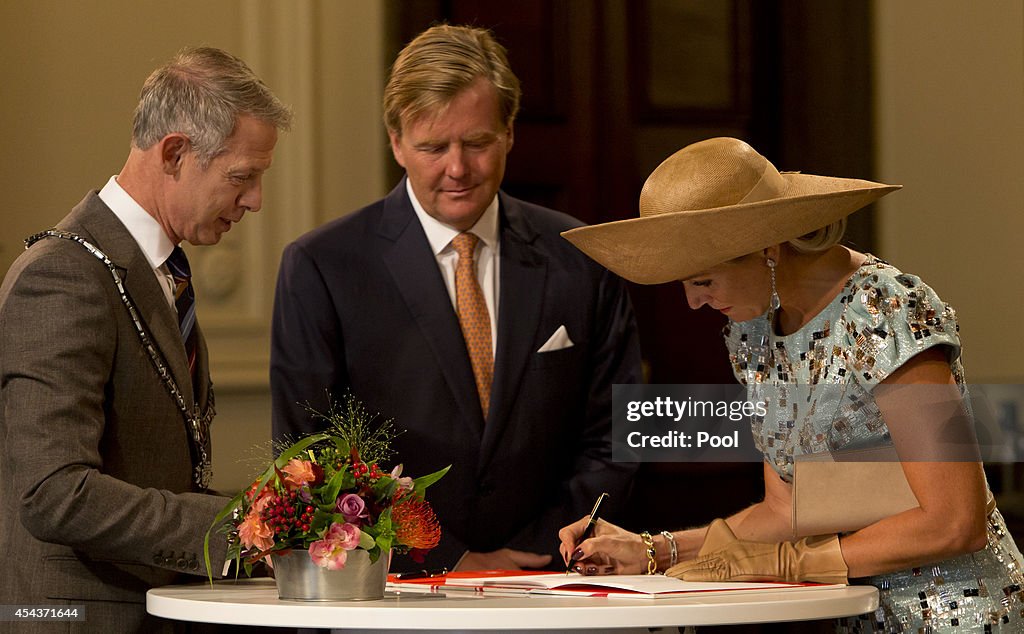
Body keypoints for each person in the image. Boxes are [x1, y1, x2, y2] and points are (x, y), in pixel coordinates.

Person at [557, 137, 1024, 631]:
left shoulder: (884, 309)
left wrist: (784, 565)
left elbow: (956, 520)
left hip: (963, 614)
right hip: (858, 613)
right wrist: (656, 548)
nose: (693, 303)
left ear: (767, 249)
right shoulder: (754, 332)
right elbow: (786, 511)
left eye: (703, 280)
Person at [270, 24, 641, 572]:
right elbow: (311, 454)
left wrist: (543, 550)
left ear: (509, 131)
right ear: (396, 142)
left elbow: (619, 431)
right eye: (433, 147)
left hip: (554, 588)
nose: (457, 168)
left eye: (477, 142)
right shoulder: (323, 267)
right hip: (392, 594)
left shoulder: (583, 260)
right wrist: (443, 559)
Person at [0, 47, 291, 631]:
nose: (256, 200)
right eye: (243, 177)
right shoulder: (63, 274)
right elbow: (53, 492)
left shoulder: (159, 269)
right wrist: (244, 529)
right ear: (176, 152)